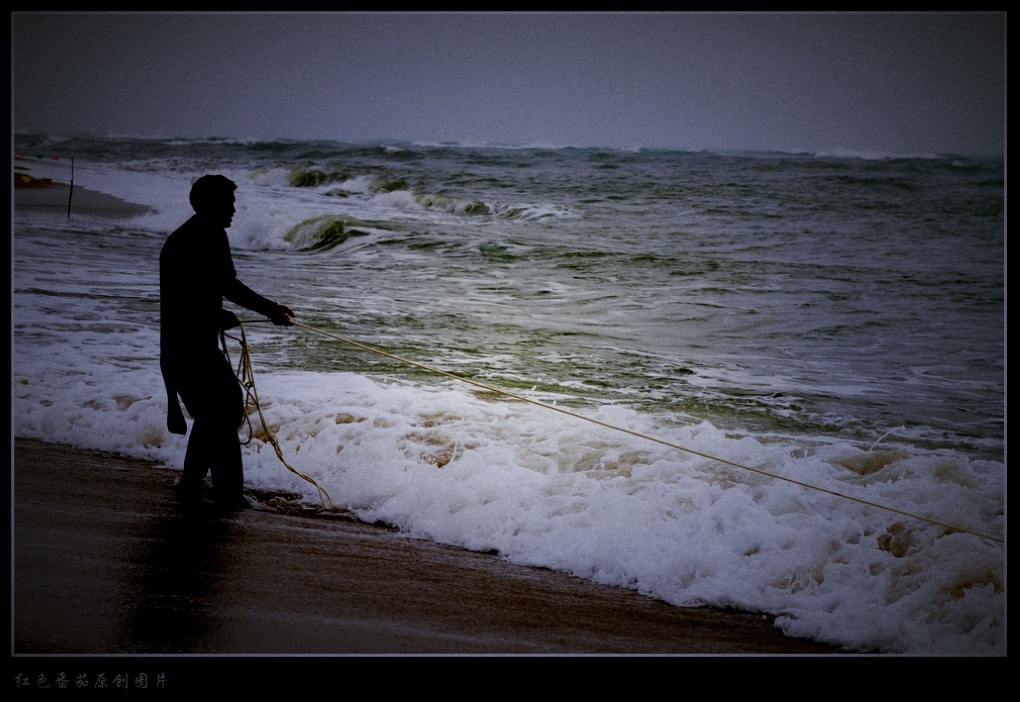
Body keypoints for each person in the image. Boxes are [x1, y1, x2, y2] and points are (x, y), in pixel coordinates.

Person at [160, 174, 294, 510]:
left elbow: (193, 290)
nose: (234, 209)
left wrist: (215, 316)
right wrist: (271, 310)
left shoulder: (188, 236)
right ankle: (227, 491)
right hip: (190, 346)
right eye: (228, 202)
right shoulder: (209, 235)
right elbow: (226, 286)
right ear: (210, 205)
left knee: (216, 410)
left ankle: (195, 482)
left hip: (180, 345)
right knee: (226, 407)